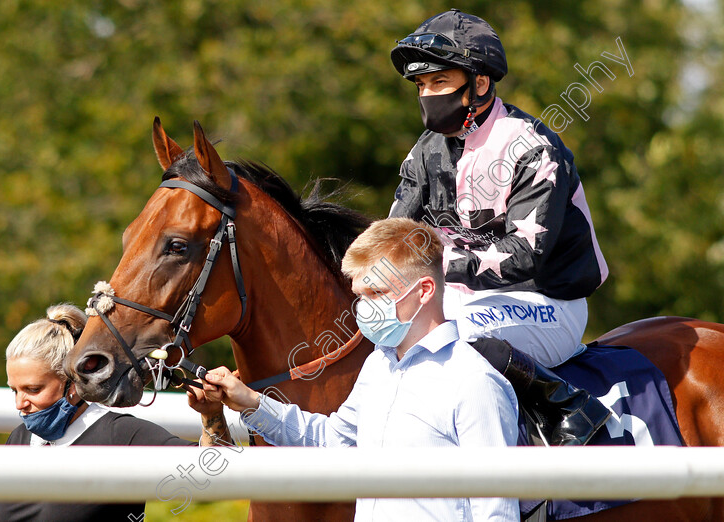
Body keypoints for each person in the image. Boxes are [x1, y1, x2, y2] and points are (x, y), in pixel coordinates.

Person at [388, 9, 611, 445]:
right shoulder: (424, 153)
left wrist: (432, 264)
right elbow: (396, 234)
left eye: (439, 82)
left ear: (480, 83)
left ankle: (562, 403)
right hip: (464, 296)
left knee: (454, 335)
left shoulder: (532, 146)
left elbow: (523, 256)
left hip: (548, 300)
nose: (427, 96)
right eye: (421, 86)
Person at [201, 218, 520, 522]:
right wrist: (251, 403)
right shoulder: (378, 366)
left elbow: (496, 511)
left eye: (377, 293)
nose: (364, 309)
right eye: (359, 296)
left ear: (424, 290)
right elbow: (331, 441)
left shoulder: (474, 382)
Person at [0, 303, 230, 522]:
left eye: (33, 390)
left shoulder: (121, 433)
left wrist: (212, 415)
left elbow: (214, 474)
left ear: (72, 384)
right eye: (14, 390)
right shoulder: (21, 438)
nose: (20, 404)